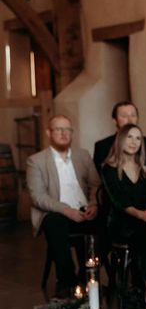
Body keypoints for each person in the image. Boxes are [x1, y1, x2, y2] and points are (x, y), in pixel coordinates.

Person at [26, 115, 100, 294]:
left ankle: (88, 276)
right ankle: (67, 281)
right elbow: (38, 197)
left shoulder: (82, 155)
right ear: (48, 133)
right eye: (58, 129)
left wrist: (93, 204)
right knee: (55, 224)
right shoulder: (36, 161)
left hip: (84, 209)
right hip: (56, 211)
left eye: (67, 129)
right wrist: (67, 210)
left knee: (105, 224)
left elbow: (95, 184)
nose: (63, 133)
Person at [101, 124, 146, 309]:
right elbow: (119, 200)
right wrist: (142, 215)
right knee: (145, 232)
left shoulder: (145, 167)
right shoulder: (109, 168)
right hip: (121, 223)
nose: (134, 142)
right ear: (121, 139)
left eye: (138, 138)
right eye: (130, 137)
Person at [93, 101, 146, 170]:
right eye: (124, 116)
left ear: (137, 119)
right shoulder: (102, 146)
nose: (130, 120)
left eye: (133, 115)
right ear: (114, 121)